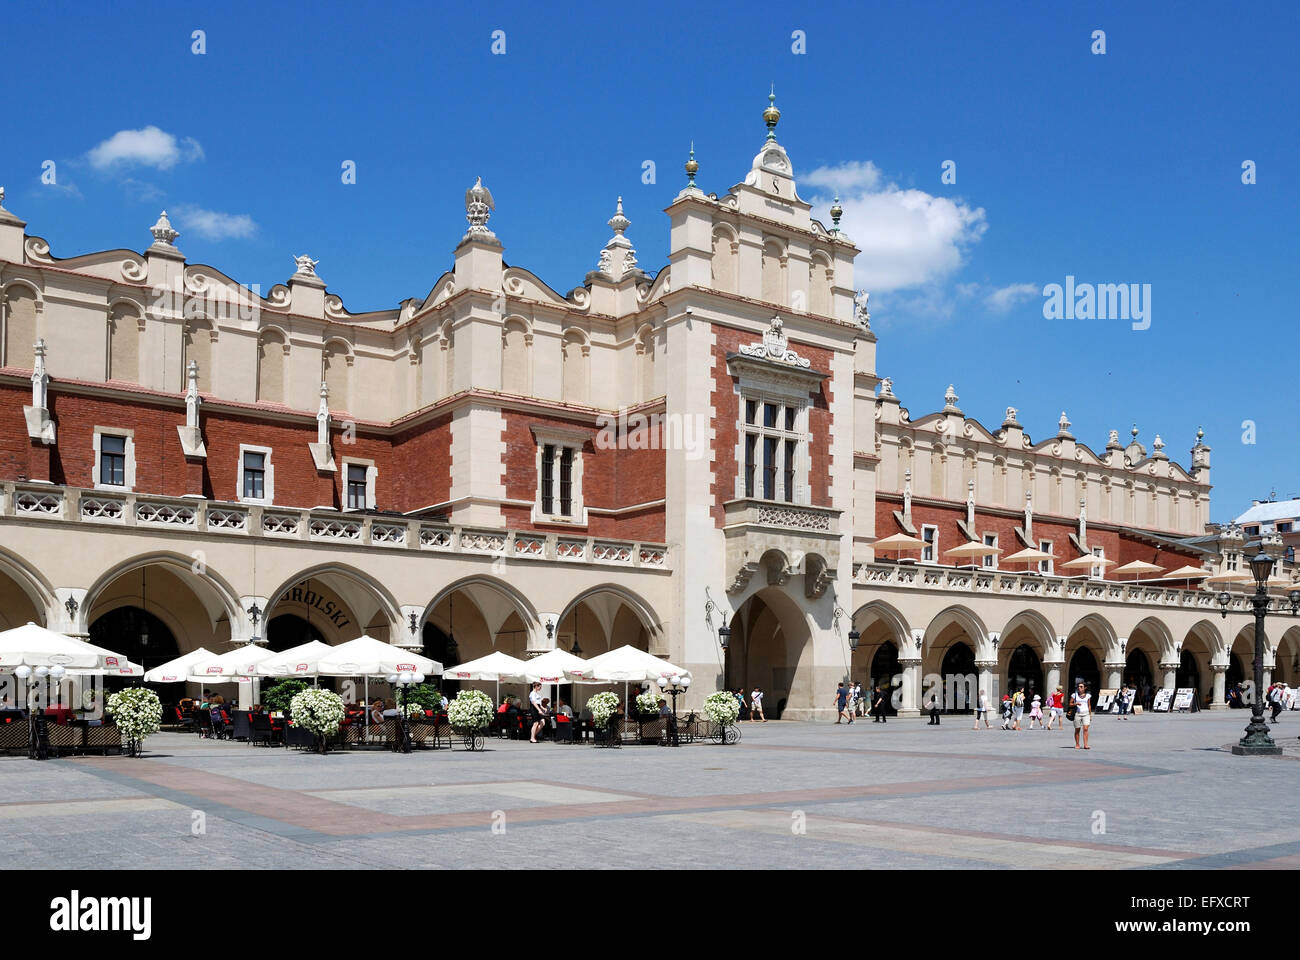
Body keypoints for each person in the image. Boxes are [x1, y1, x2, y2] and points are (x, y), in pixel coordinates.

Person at [1071, 681, 1092, 749]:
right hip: (1077, 714)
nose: (1079, 688)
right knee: (1077, 729)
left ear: (1085, 688)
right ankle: (1077, 744)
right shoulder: (1074, 695)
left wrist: (1090, 715)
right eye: (1078, 687)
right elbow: (1070, 704)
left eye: (1081, 687)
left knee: (1085, 729)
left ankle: (1086, 744)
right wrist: (1075, 704)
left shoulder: (1088, 696)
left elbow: (1089, 705)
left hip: (1086, 713)